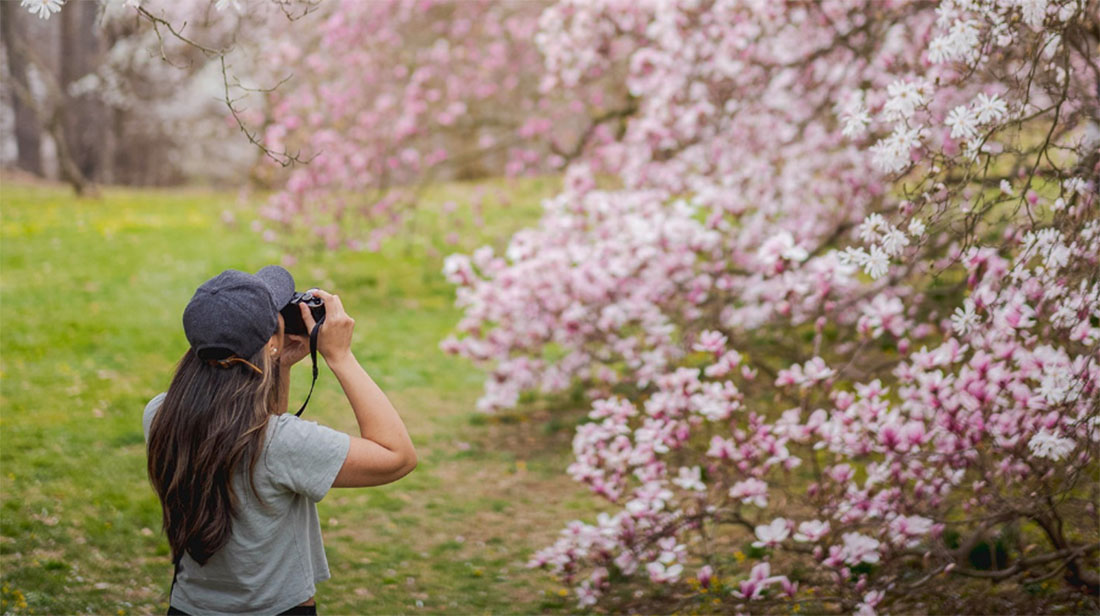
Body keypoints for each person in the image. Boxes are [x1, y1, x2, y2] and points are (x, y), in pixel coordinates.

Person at [143, 266, 417, 615]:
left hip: (188, 606)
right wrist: (340, 357)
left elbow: (259, 422)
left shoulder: (161, 414)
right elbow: (397, 456)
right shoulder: (280, 445)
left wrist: (280, 364)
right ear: (270, 341)